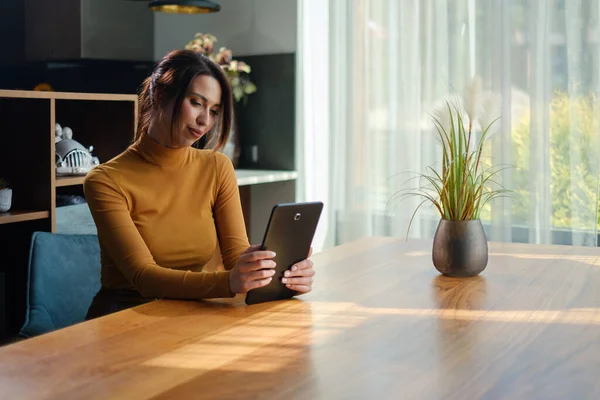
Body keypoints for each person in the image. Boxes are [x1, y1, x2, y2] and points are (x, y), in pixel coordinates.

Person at [83, 49, 315, 319]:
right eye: (196, 103)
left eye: (214, 111)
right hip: (125, 317)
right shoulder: (106, 180)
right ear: (159, 95)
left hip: (191, 310)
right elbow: (143, 277)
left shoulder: (217, 167)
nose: (205, 121)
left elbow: (235, 256)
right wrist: (228, 282)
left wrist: (275, 271)